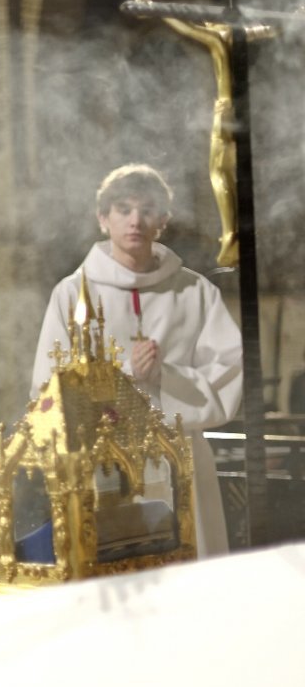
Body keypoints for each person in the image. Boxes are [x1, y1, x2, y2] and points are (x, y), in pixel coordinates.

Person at [31, 163, 242, 557]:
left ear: (162, 220)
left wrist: (165, 378)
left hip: (182, 461)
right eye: (123, 209)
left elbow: (229, 372)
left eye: (147, 210)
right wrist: (119, 378)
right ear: (103, 218)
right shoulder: (70, 294)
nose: (135, 221)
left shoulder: (195, 291)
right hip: (104, 466)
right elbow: (48, 391)